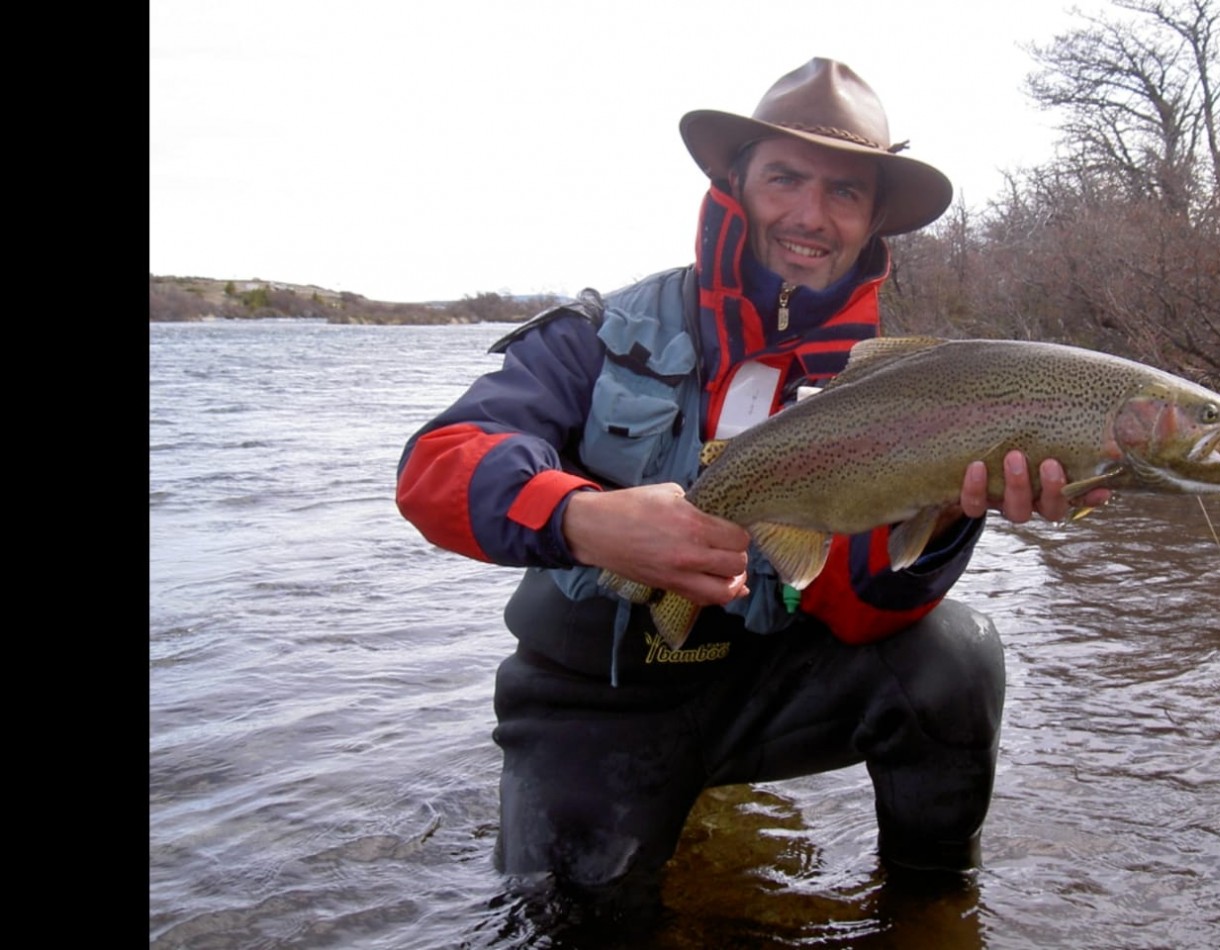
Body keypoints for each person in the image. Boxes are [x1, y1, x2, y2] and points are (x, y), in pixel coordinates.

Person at [396, 57, 1109, 909]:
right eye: (784, 178)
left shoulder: (895, 384)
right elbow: (437, 464)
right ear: (734, 183)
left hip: (769, 683)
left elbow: (857, 607)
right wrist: (581, 517)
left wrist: (950, 514)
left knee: (955, 657)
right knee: (570, 925)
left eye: (844, 192)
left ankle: (928, 910)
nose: (810, 215)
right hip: (594, 696)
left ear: (872, 217)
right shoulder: (599, 332)